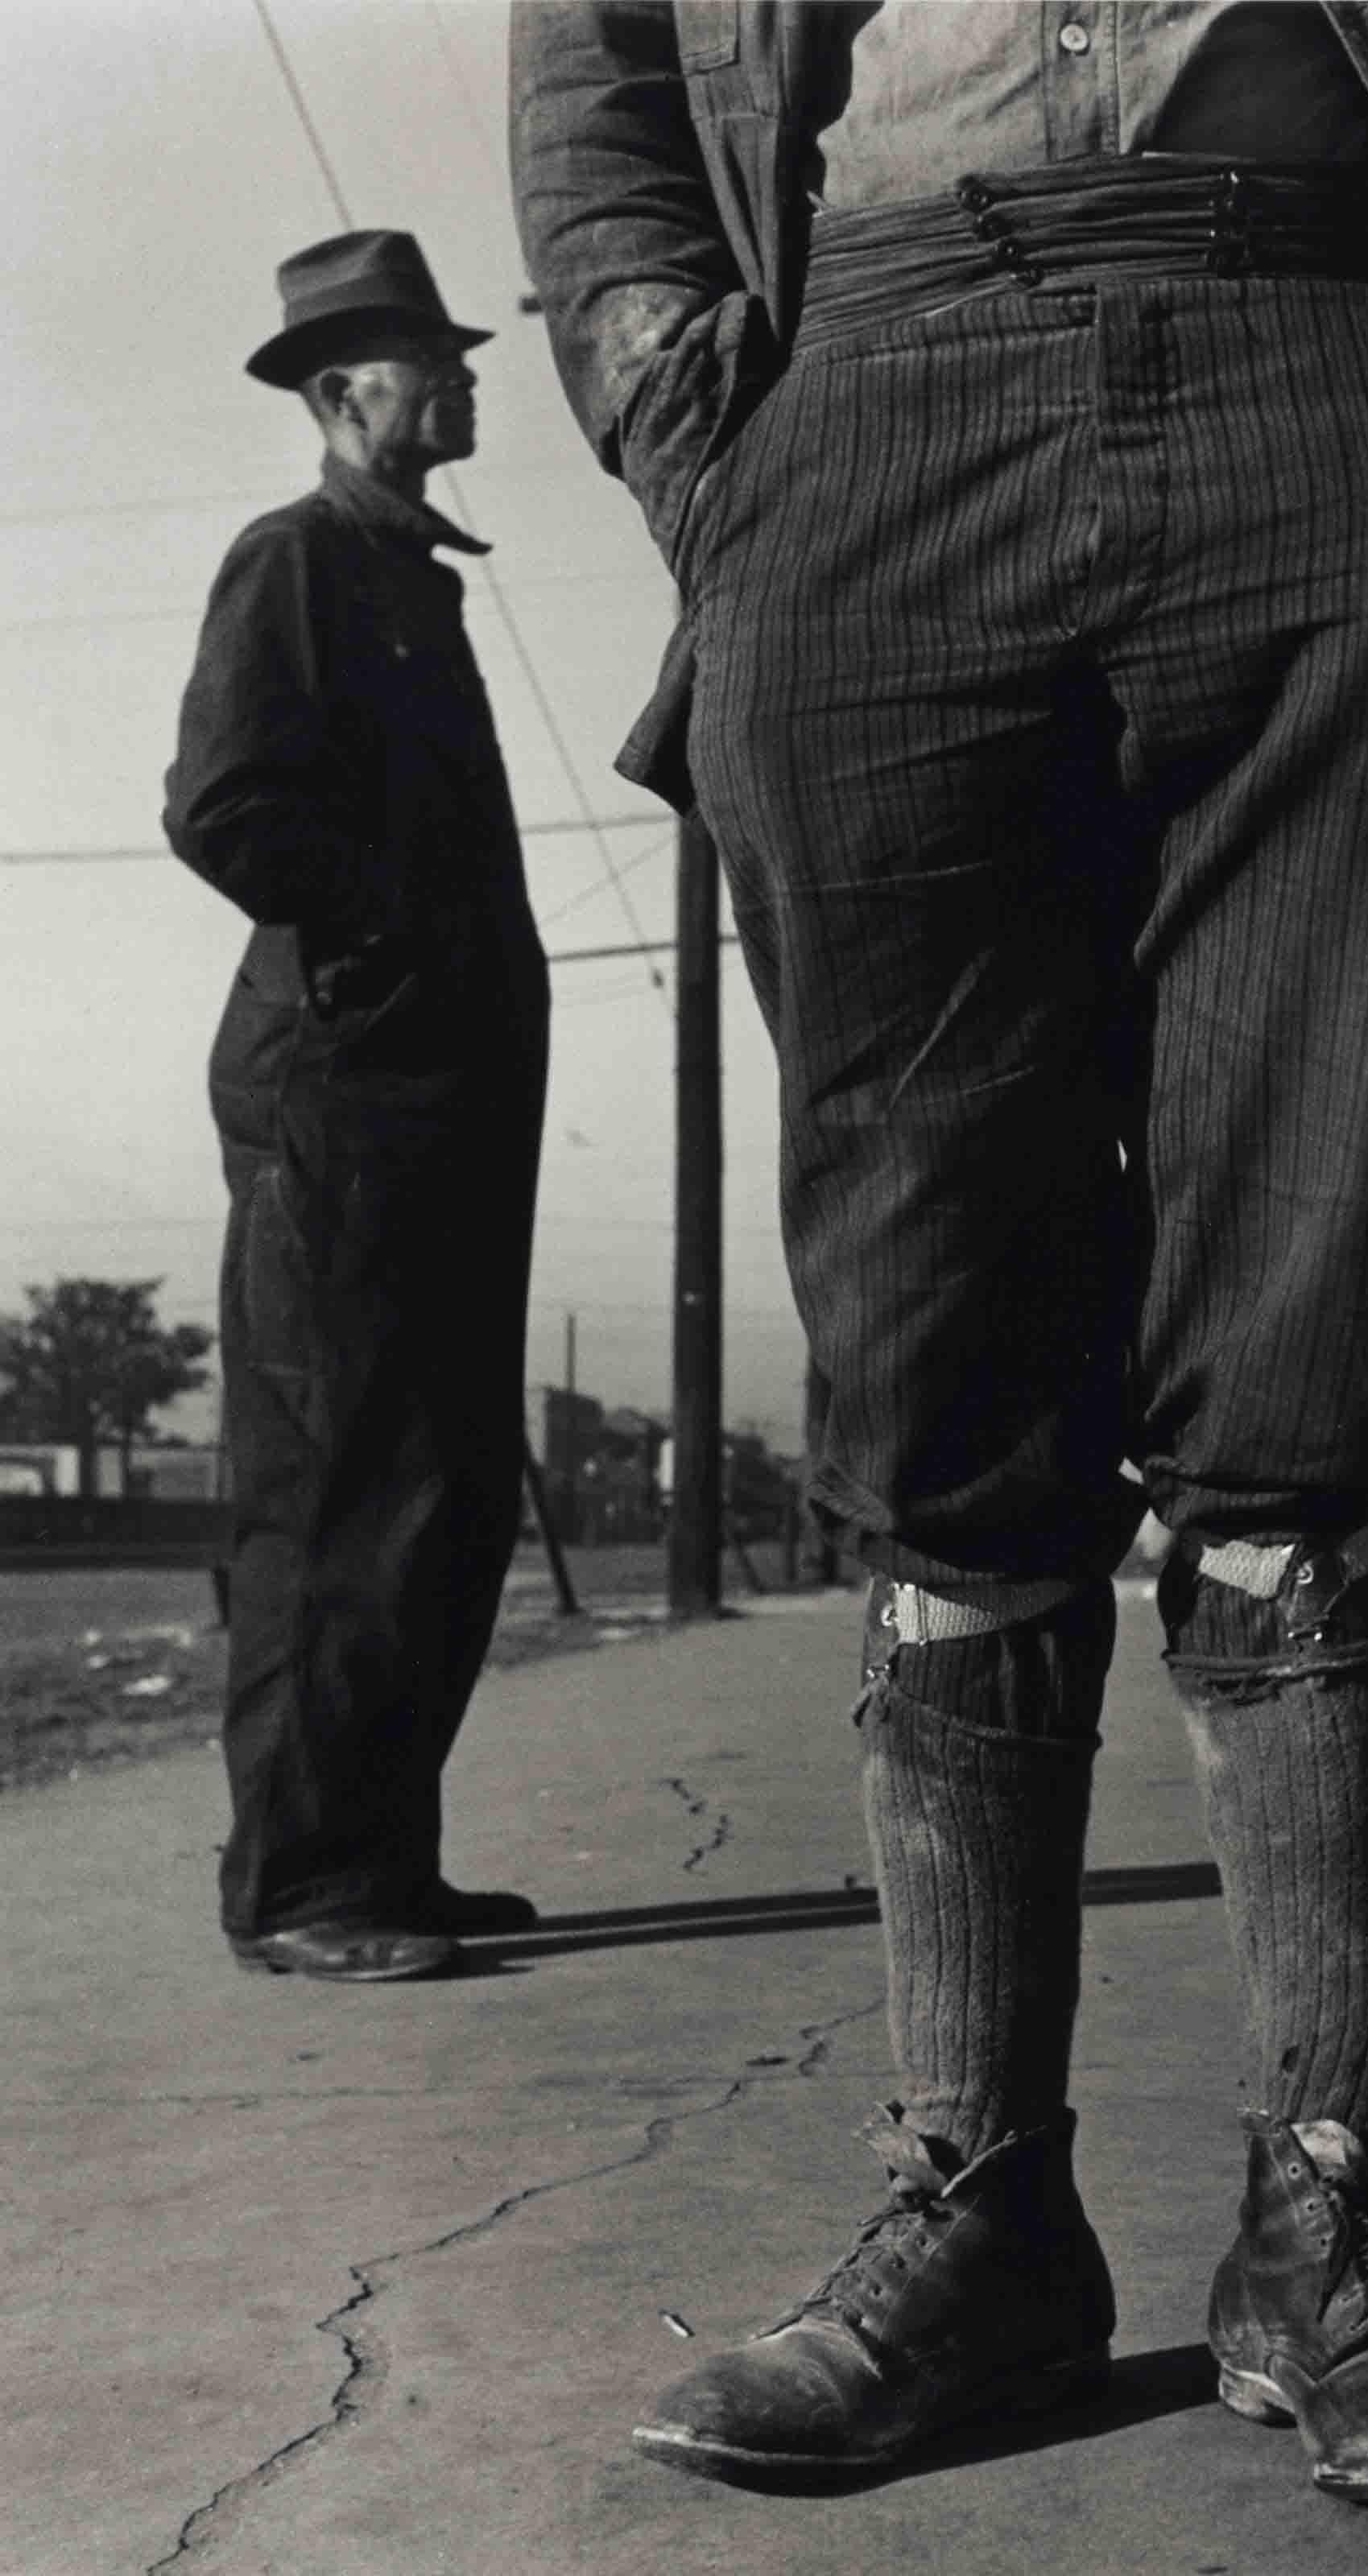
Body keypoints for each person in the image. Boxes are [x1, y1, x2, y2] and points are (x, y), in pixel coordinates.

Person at [512, 1, 1368, 2499]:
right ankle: (974, 2221)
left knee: (1277, 1337)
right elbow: (600, 80)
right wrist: (709, 445)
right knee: (936, 1359)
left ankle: (1325, 2227)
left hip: (1310, 375)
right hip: (863, 405)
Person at [164, 232, 551, 1984]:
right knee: (336, 1480)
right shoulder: (299, 560)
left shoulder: (412, 578)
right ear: (338, 398)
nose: (460, 381)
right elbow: (228, 806)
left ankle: (382, 1859)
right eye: (423, 362)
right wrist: (390, 940)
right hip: (348, 1086)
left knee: (442, 1477)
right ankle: (305, 1883)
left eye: (459, 356)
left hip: (439, 1094)